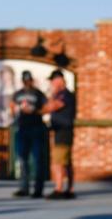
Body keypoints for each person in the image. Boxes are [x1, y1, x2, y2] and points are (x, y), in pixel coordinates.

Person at [9, 70, 48, 198]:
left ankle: (38, 189)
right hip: (22, 128)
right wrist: (15, 114)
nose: (27, 82)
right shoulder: (18, 94)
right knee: (22, 159)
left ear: (32, 80)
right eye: (25, 80)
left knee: (38, 159)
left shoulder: (38, 93)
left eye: (29, 80)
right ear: (23, 81)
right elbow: (12, 105)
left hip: (36, 128)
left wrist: (35, 110)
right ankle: (24, 188)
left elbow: (46, 108)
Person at [42, 69, 76, 199]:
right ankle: (69, 189)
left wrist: (37, 110)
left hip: (63, 131)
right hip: (61, 130)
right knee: (66, 161)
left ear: (59, 80)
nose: (51, 83)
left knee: (58, 161)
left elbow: (52, 107)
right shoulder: (63, 94)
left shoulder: (64, 94)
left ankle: (59, 189)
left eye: (52, 80)